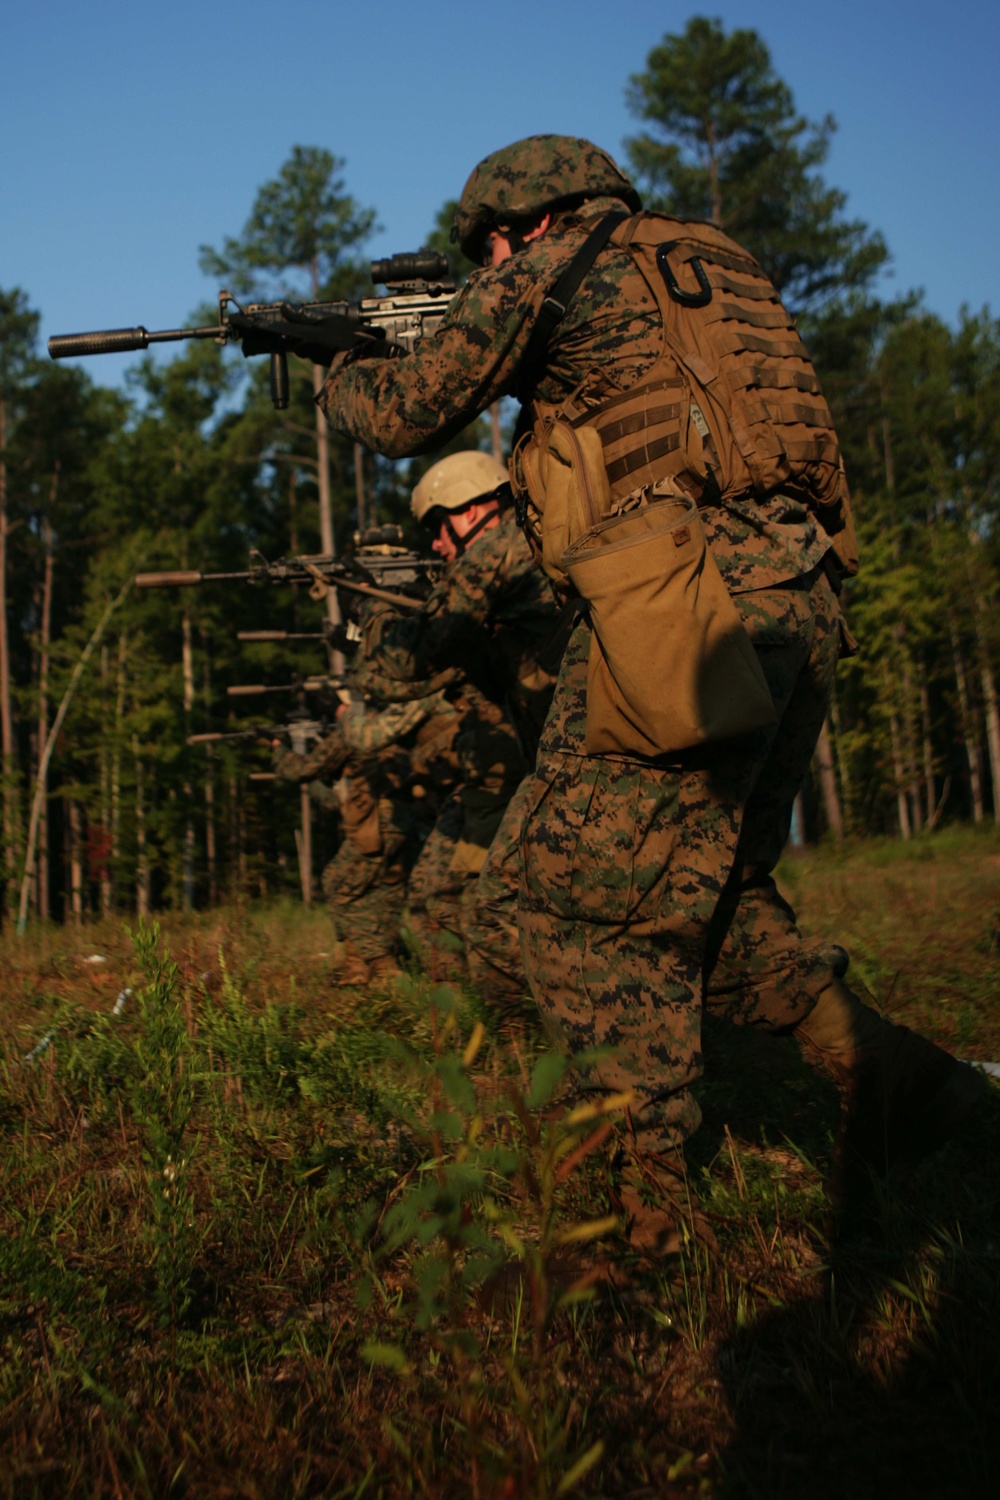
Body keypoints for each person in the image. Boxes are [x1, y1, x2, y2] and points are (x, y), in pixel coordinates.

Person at [315, 135, 985, 1253]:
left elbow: (403, 415)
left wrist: (338, 364)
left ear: (524, 220)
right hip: (803, 602)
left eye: (486, 247)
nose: (485, 267)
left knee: (562, 899)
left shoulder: (553, 263)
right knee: (707, 894)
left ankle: (646, 1204)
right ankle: (917, 1091)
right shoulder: (711, 266)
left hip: (685, 607)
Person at [353, 449, 562, 1012]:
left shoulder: (492, 556)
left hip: (555, 766)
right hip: (553, 760)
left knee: (489, 913)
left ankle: (523, 1050)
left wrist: (371, 617)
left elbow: (400, 671)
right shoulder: (541, 537)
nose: (437, 546)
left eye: (438, 529)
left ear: (469, 511)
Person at [274, 693, 460, 985]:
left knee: (337, 885)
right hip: (408, 821)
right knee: (383, 895)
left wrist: (277, 748)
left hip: (378, 824)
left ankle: (382, 965)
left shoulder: (353, 732)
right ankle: (359, 967)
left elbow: (301, 769)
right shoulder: (394, 726)